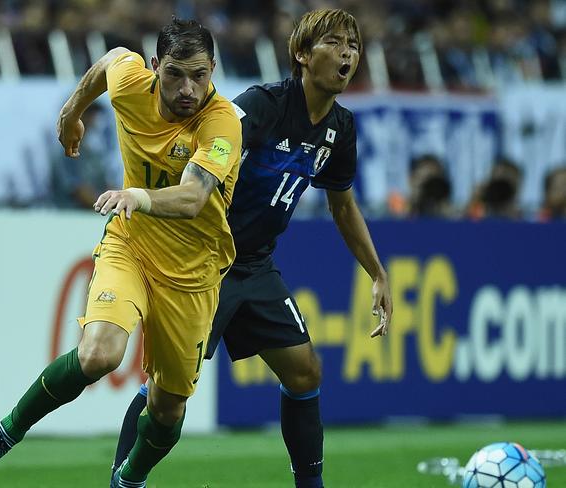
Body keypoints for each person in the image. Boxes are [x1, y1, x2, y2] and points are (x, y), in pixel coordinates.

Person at [111, 9, 393, 488]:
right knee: (166, 396)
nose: (347, 54)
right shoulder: (260, 107)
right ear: (302, 54)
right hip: (205, 265)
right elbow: (202, 141)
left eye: (353, 45)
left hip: (256, 266)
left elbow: (342, 207)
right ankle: (121, 479)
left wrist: (378, 274)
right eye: (334, 43)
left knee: (305, 372)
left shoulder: (339, 129)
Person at [0, 18, 241, 488]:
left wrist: (139, 197)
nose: (188, 88)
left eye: (199, 75)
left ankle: (129, 477)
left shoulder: (221, 122)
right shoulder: (132, 83)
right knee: (98, 355)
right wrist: (72, 112)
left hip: (193, 274)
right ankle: (4, 432)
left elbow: (192, 198)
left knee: (167, 410)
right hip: (131, 245)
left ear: (212, 69)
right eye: (175, 74)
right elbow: (108, 62)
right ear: (155, 67)